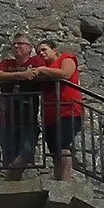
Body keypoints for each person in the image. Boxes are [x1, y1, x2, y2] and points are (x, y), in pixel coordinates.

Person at [0, 34, 41, 180]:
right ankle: (12, 182)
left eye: (20, 43)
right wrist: (22, 75)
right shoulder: (7, 63)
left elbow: (41, 72)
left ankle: (10, 180)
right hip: (6, 117)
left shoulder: (35, 61)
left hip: (27, 117)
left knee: (26, 151)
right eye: (14, 44)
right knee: (9, 155)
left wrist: (14, 76)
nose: (16, 46)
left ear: (29, 48)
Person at [34, 39, 85, 181]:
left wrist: (42, 70)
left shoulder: (66, 58)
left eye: (44, 49)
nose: (41, 53)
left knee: (63, 146)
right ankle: (59, 181)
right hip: (50, 116)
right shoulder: (44, 68)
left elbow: (66, 74)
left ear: (54, 50)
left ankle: (66, 181)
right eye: (39, 52)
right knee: (56, 152)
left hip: (69, 111)